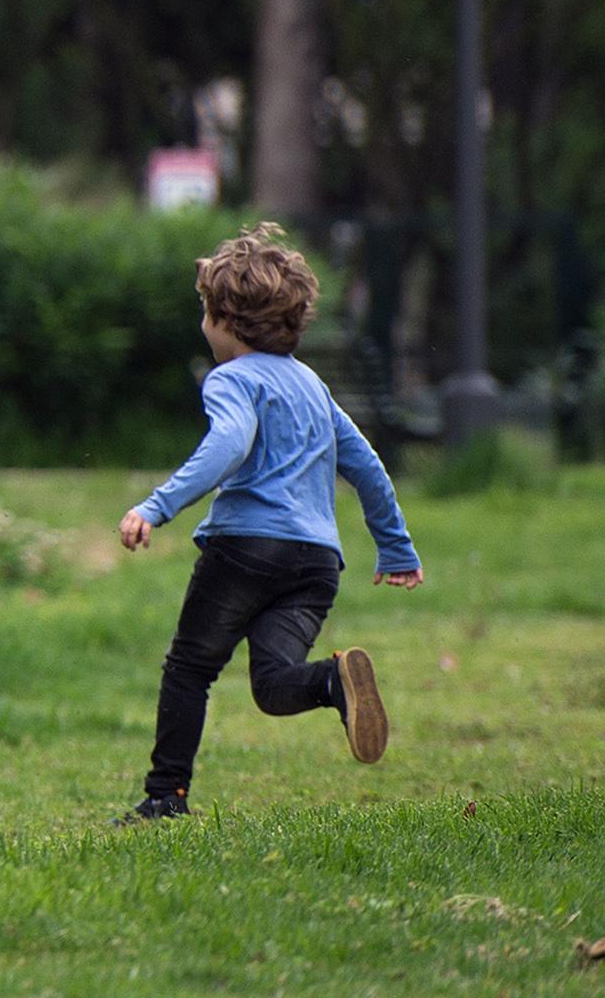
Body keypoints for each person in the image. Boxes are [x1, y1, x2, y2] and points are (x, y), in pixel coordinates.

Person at [117, 222, 425, 821]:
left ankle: (165, 797)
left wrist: (156, 506)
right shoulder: (312, 385)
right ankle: (333, 684)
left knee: (189, 668)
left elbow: (228, 445)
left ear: (225, 319)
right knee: (274, 684)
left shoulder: (232, 379)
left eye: (206, 313)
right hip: (315, 563)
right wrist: (395, 548)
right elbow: (365, 464)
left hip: (245, 550)